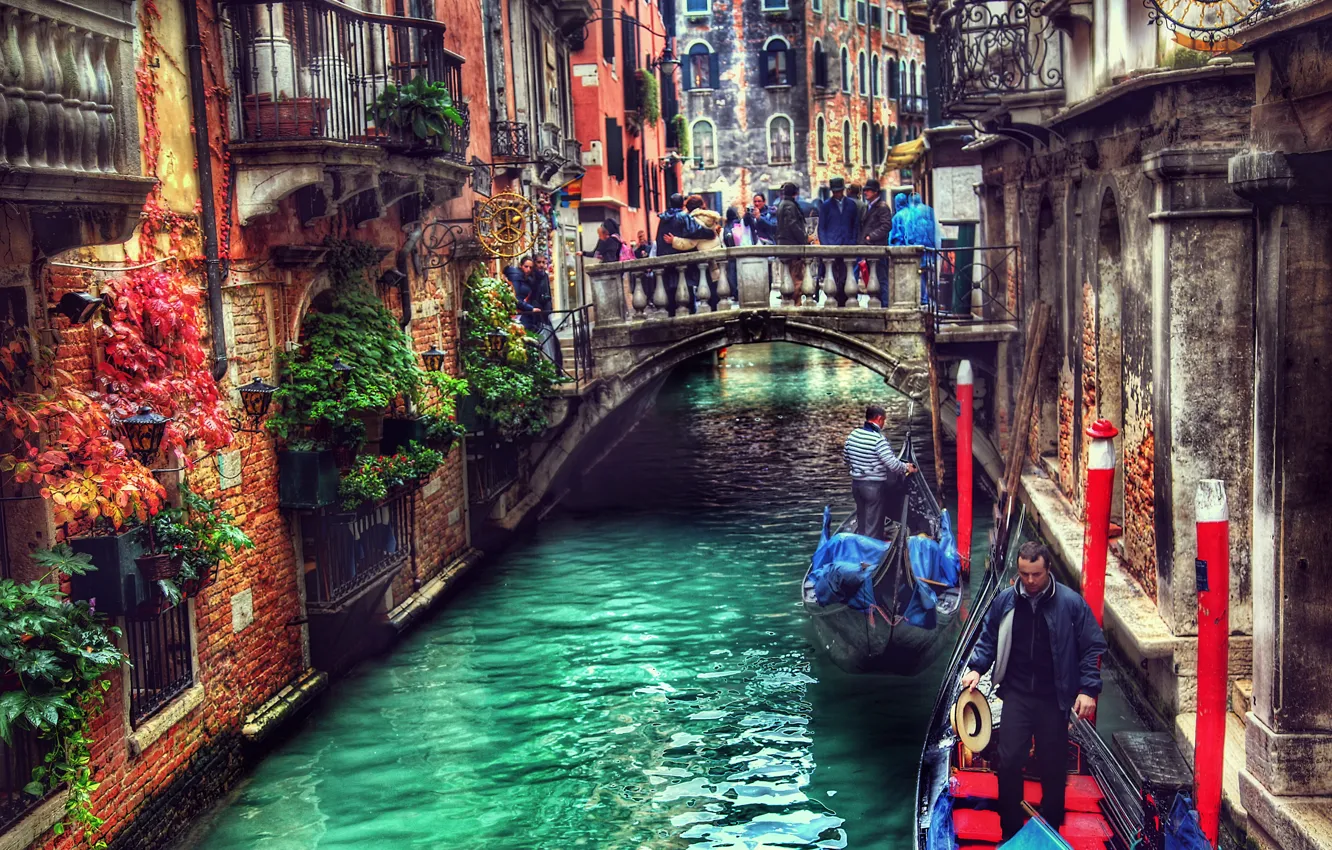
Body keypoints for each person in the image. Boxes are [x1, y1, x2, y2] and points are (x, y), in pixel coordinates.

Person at [960, 541, 1107, 841]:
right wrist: (976, 668)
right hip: (1017, 694)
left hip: (1054, 697)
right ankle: (1011, 832)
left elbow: (1092, 646)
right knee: (1009, 760)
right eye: (1024, 574)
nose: (1029, 581)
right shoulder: (1005, 601)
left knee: (1053, 766)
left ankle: (1050, 832)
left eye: (1036, 574)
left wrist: (1088, 690)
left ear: (1048, 570)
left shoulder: (1070, 603)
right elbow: (989, 638)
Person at [842, 404, 917, 540]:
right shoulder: (879, 440)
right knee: (873, 525)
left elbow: (846, 459)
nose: (884, 423)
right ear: (879, 419)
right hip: (873, 488)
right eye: (884, 420)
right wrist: (907, 467)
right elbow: (893, 465)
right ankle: (868, 558)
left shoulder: (853, 435)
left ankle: (860, 546)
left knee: (862, 520)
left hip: (857, 486)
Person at [656, 193, 715, 315]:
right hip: (683, 262)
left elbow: (659, 241)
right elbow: (695, 231)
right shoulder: (683, 217)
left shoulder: (663, 220)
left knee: (671, 295)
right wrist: (711, 233)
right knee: (686, 294)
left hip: (667, 263)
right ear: (682, 204)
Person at [817, 177, 860, 307]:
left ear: (843, 190)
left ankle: (845, 300)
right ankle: (835, 300)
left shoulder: (852, 205)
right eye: (835, 191)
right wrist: (826, 245)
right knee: (833, 275)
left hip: (847, 244)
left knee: (847, 274)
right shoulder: (826, 206)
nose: (837, 194)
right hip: (832, 245)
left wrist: (852, 242)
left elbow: (855, 226)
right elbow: (821, 228)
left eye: (839, 191)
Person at [860, 179, 894, 306]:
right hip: (870, 249)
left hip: (877, 249)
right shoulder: (869, 207)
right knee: (873, 279)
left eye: (868, 190)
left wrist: (870, 237)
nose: (866, 193)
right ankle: (880, 304)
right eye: (865, 190)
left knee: (881, 279)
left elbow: (887, 226)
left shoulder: (882, 207)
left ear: (875, 192)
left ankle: (885, 305)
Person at [775, 182, 808, 298]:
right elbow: (793, 224)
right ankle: (796, 305)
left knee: (788, 277)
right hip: (792, 246)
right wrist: (804, 238)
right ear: (795, 193)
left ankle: (790, 302)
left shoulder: (781, 204)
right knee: (796, 278)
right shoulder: (790, 206)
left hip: (783, 245)